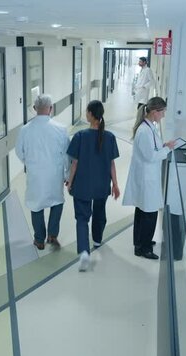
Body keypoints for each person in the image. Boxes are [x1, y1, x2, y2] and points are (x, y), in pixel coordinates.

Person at [66, 100, 120, 272]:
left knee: (82, 219)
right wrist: (115, 184)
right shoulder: (109, 137)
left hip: (82, 185)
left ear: (90, 114)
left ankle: (84, 254)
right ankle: (97, 239)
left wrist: (70, 181)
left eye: (87, 111)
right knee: (99, 212)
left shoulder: (80, 136)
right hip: (101, 185)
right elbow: (111, 164)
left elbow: (74, 163)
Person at [122, 97, 176, 260]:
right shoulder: (144, 131)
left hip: (147, 177)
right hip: (147, 178)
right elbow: (150, 156)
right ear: (154, 112)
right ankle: (143, 248)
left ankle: (141, 242)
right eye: (163, 112)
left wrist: (163, 146)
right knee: (149, 213)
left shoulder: (149, 127)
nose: (164, 115)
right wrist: (167, 149)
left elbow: (152, 149)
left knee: (143, 211)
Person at [15, 94, 70, 250]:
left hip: (35, 176)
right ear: (51, 108)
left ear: (34, 109)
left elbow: (19, 151)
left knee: (36, 205)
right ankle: (52, 236)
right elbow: (67, 155)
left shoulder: (24, 130)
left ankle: (39, 240)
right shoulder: (61, 129)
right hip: (55, 175)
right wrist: (67, 175)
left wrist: (29, 163)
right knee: (57, 202)